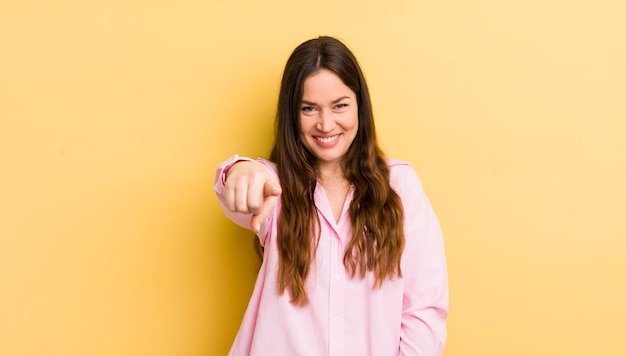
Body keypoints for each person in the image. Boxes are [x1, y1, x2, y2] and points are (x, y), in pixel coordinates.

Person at [214, 36, 448, 356]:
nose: (326, 124)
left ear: (359, 106)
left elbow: (424, 307)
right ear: (291, 114)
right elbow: (235, 190)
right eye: (309, 108)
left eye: (339, 105)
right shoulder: (274, 187)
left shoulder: (401, 187)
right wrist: (239, 171)